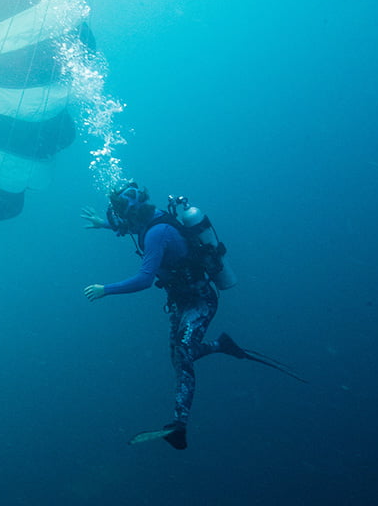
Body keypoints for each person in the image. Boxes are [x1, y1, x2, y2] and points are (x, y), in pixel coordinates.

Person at [82, 183, 291, 450]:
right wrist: (103, 224)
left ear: (130, 211)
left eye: (120, 213)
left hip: (200, 301)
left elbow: (145, 279)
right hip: (181, 301)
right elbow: (130, 227)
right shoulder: (150, 218)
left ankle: (179, 425)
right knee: (179, 356)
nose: (120, 219)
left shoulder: (157, 233)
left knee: (183, 354)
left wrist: (105, 290)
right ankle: (221, 345)